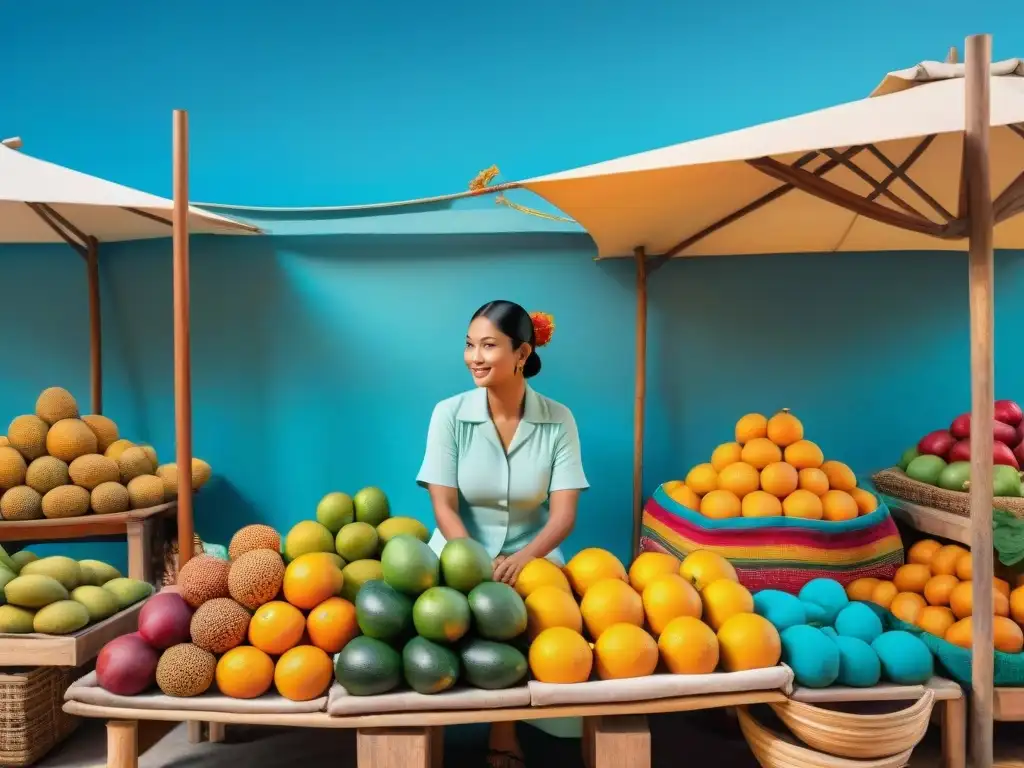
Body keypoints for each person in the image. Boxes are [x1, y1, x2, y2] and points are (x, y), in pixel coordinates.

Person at [417, 299, 589, 768]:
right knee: (434, 630)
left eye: (488, 346)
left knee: (549, 634)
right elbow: (443, 504)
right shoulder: (448, 414)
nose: (475, 356)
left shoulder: (559, 420)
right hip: (456, 547)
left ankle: (505, 726)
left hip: (535, 553)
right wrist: (474, 558)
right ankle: (427, 726)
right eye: (470, 345)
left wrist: (522, 559)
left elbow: (563, 516)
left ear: (521, 353)